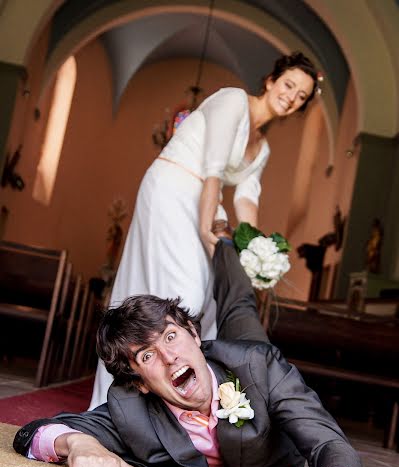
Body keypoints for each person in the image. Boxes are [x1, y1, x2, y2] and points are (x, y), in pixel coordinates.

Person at [14, 239, 365, 467]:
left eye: (171, 336)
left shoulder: (262, 367)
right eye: (148, 355)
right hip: (222, 366)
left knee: (240, 310)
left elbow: (328, 441)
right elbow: (35, 432)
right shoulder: (130, 407)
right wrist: (78, 444)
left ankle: (224, 245)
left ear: (195, 335)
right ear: (138, 381)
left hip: (243, 365)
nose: (169, 357)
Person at [90, 51, 320, 408]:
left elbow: (247, 199)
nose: (291, 97)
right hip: (174, 186)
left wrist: (258, 250)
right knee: (185, 294)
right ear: (271, 81)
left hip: (205, 201)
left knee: (205, 298)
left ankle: (168, 403)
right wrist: (205, 222)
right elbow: (213, 168)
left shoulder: (263, 146)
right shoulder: (233, 100)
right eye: (289, 85)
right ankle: (132, 395)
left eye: (301, 95)